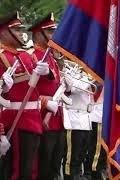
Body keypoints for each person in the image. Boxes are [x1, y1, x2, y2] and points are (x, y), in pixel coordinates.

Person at [0, 11, 50, 180]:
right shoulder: (1, 57)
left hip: (33, 120)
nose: (21, 33)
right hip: (16, 121)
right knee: (18, 172)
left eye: (21, 29)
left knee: (30, 171)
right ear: (4, 32)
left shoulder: (24, 56)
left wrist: (47, 71)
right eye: (16, 30)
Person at [28, 13, 66, 180]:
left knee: (55, 165)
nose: (55, 35)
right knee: (43, 165)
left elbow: (55, 86)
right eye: (50, 31)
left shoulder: (50, 56)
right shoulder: (31, 56)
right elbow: (26, 92)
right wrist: (44, 103)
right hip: (42, 117)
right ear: (38, 33)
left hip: (57, 118)